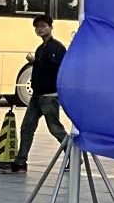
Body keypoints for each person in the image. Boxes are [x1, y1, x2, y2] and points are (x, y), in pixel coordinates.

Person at [7, 13, 69, 173]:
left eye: (43, 26)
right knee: (27, 127)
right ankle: (20, 162)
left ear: (51, 27)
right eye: (37, 27)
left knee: (55, 128)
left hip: (49, 96)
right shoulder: (41, 48)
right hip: (37, 95)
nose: (40, 29)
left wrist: (35, 62)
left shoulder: (57, 48)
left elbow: (56, 70)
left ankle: (73, 156)